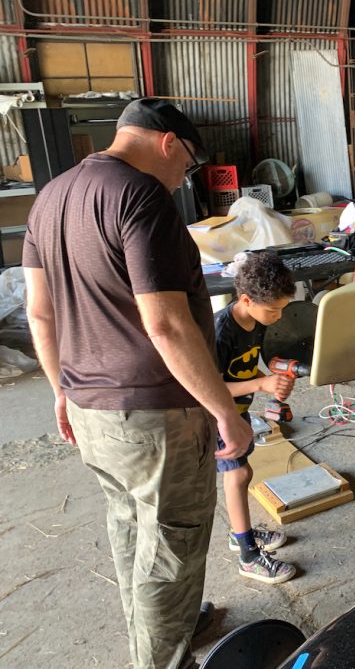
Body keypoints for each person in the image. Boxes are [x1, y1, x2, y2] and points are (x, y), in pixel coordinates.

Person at [23, 98, 252, 669]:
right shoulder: (140, 194)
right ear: (169, 142)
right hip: (153, 415)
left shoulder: (49, 197)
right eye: (189, 164)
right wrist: (224, 410)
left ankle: (151, 641)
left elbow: (40, 316)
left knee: (132, 531)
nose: (184, 179)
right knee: (171, 550)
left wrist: (61, 390)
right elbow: (165, 321)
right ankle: (159, 660)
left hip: (88, 408)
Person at [214, 251, 297, 584]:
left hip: (240, 411)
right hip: (218, 414)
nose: (277, 317)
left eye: (282, 309)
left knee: (243, 474)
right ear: (246, 299)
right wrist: (262, 383)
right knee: (238, 474)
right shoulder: (222, 331)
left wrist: (271, 379)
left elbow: (250, 366)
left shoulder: (256, 322)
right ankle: (248, 556)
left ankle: (240, 533)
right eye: (273, 310)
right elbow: (211, 387)